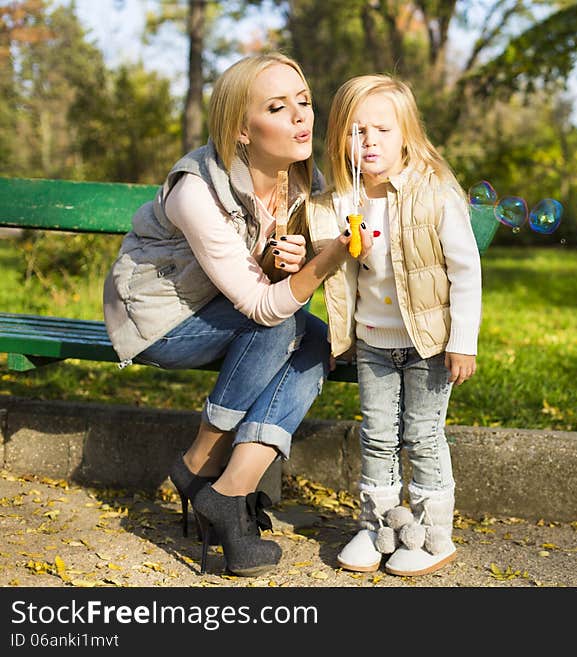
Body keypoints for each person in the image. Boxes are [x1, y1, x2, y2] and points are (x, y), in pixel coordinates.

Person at [102, 53, 369, 577]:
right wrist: (323, 260)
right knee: (281, 324)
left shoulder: (301, 182)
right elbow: (262, 306)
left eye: (304, 101)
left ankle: (230, 490)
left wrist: (289, 261)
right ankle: (200, 461)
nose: (300, 117)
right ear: (241, 130)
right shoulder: (195, 190)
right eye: (277, 106)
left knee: (313, 342)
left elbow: (274, 286)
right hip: (160, 320)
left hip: (228, 310)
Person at [308, 74, 482, 577]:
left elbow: (465, 273)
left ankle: (431, 536)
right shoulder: (339, 201)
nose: (368, 142)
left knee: (423, 437)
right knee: (378, 438)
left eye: (381, 129)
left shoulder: (435, 194)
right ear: (339, 136)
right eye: (355, 131)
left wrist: (462, 341)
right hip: (373, 343)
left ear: (406, 133)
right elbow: (333, 271)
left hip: (428, 343)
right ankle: (380, 528)